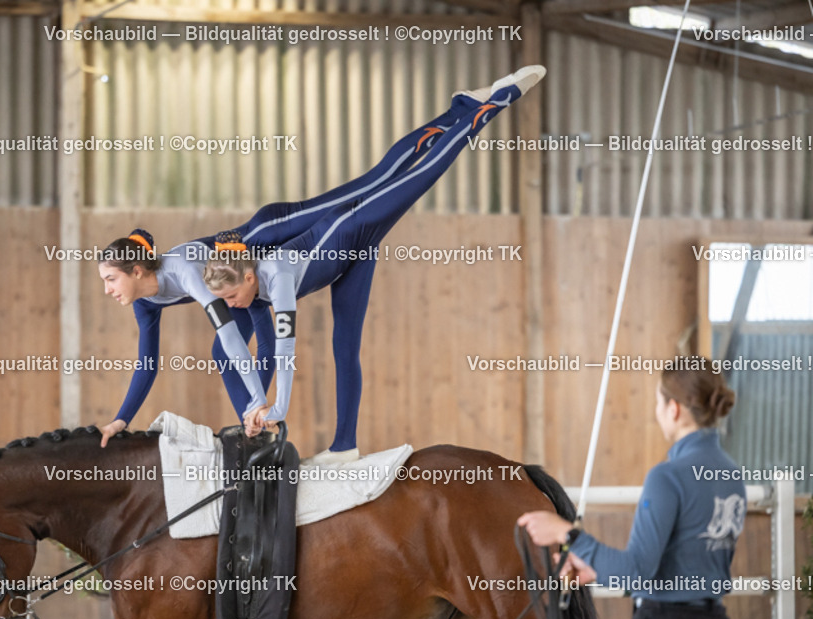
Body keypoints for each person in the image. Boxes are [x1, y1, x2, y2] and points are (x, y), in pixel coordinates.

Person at [97, 64, 546, 447]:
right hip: (253, 274)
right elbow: (149, 363)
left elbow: (251, 337)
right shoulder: (151, 300)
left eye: (111, 280)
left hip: (270, 233)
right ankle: (260, 427)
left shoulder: (194, 275)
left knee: (374, 185)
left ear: (137, 269)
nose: (108, 291)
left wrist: (267, 402)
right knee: (235, 346)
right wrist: (122, 418)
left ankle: (471, 110)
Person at [518, 357, 745, 619]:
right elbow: (684, 564)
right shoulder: (731, 473)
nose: (656, 411)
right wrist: (596, 569)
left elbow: (637, 572)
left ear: (674, 409)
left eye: (658, 402)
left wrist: (569, 534)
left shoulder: (668, 477)